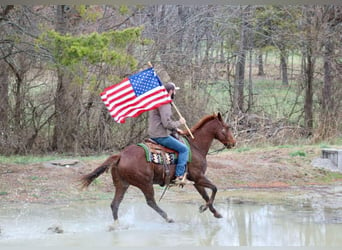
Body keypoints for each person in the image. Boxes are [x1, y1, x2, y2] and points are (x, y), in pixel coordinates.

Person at [148, 82, 189, 185]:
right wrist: (180, 122)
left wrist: (175, 129)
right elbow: (166, 124)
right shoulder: (165, 103)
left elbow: (162, 122)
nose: (175, 93)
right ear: (171, 91)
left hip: (155, 132)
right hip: (161, 135)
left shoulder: (158, 101)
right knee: (184, 149)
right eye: (175, 91)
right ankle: (179, 176)